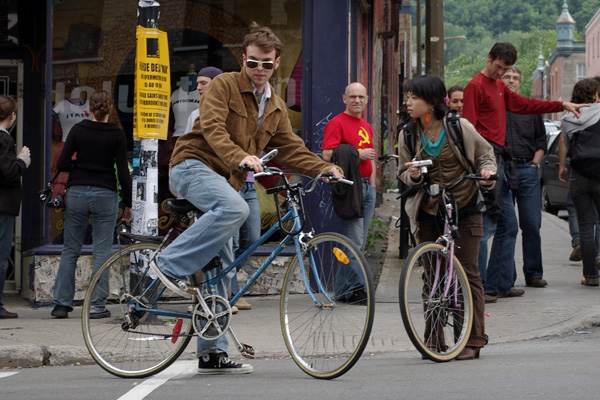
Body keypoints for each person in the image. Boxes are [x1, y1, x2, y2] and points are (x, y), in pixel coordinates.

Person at [156, 22, 343, 374]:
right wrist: (239, 156)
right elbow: (211, 128)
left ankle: (212, 353)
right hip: (192, 165)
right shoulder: (225, 85)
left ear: (276, 64)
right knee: (235, 208)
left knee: (223, 268)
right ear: (244, 59)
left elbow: (289, 147)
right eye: (253, 62)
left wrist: (322, 169)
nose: (259, 69)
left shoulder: (273, 105)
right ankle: (168, 264)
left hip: (226, 179)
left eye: (267, 64)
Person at [462, 42, 586, 302]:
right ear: (489, 58)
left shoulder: (497, 87)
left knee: (508, 225)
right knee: (490, 225)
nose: (501, 74)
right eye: (498, 68)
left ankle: (498, 283)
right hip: (488, 160)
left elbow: (525, 104)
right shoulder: (475, 86)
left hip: (501, 161)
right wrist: (477, 165)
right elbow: (468, 129)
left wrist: (561, 103)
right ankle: (482, 286)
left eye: (506, 69)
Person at [398, 74, 497, 360]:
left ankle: (474, 339)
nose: (408, 102)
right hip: (428, 209)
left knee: (468, 273)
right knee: (432, 275)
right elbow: (402, 173)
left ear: (430, 102)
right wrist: (412, 174)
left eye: (413, 97)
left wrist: (488, 174)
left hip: (464, 206)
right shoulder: (407, 132)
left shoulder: (458, 126)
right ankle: (433, 338)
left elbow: (485, 155)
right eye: (407, 96)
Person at [51, 90, 132, 319]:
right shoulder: (117, 135)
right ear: (110, 108)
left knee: (70, 249)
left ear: (91, 109)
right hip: (105, 194)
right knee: (102, 252)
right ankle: (96, 306)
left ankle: (61, 304)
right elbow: (123, 173)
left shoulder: (78, 130)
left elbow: (64, 162)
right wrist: (127, 203)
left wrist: (81, 170)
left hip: (77, 192)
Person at [321, 82, 376, 304]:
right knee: (354, 242)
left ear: (367, 99)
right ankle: (360, 288)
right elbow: (326, 155)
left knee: (357, 242)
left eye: (361, 97)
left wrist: (372, 185)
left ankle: (344, 290)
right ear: (344, 99)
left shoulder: (367, 125)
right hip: (350, 187)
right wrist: (356, 154)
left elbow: (371, 159)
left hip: (366, 187)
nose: (357, 100)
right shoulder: (337, 123)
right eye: (352, 96)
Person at [499, 66, 548, 290]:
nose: (511, 81)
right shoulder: (494, 107)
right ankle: (507, 278)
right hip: (503, 170)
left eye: (515, 78)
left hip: (527, 169)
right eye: (506, 77)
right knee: (507, 225)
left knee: (531, 225)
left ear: (520, 82)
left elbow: (541, 140)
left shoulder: (530, 109)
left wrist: (534, 163)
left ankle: (534, 273)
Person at [559, 78, 600, 286]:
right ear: (596, 94)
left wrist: (562, 167)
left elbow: (566, 144)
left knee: (585, 226)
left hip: (578, 176)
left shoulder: (567, 118)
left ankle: (591, 276)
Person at [0, 96, 30, 319]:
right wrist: (22, 160)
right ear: (11, 116)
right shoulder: (5, 140)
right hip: (3, 204)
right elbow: (8, 172)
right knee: (2, 255)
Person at [183, 66, 224, 135]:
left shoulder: (232, 111)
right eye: (198, 83)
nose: (198, 87)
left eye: (203, 83)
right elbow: (187, 141)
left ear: (217, 84)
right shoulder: (194, 114)